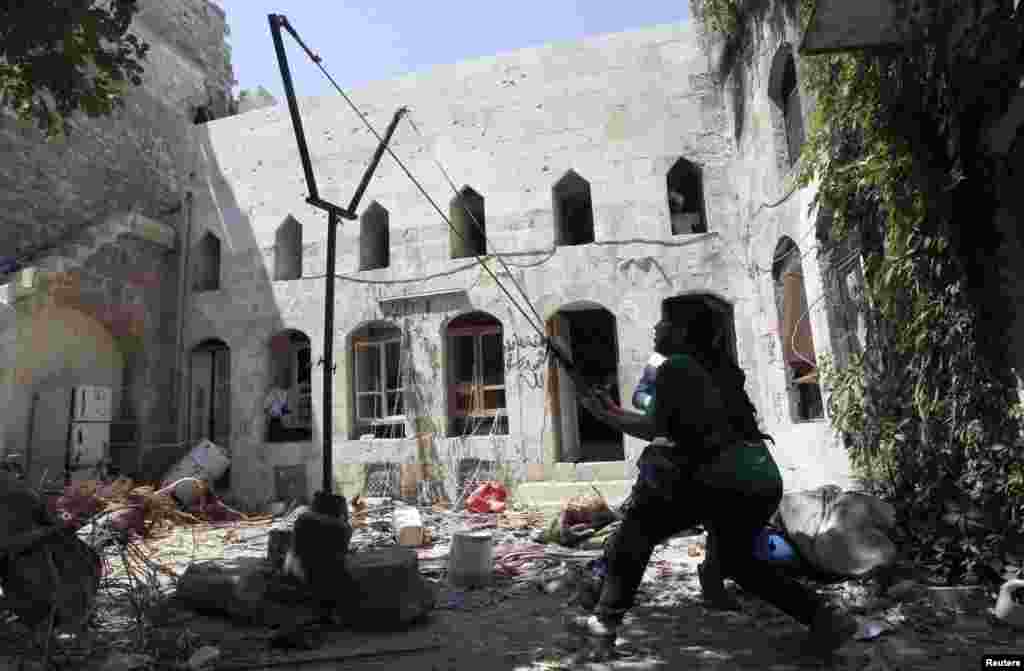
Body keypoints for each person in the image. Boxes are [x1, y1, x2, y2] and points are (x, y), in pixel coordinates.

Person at [569, 307, 858, 658]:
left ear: (682, 333)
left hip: (721, 478)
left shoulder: (675, 366)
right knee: (740, 563)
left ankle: (603, 624)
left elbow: (655, 430)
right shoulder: (714, 369)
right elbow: (668, 424)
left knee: (639, 529)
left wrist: (606, 416)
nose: (657, 325)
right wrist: (610, 413)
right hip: (760, 477)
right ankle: (825, 617)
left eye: (665, 320)